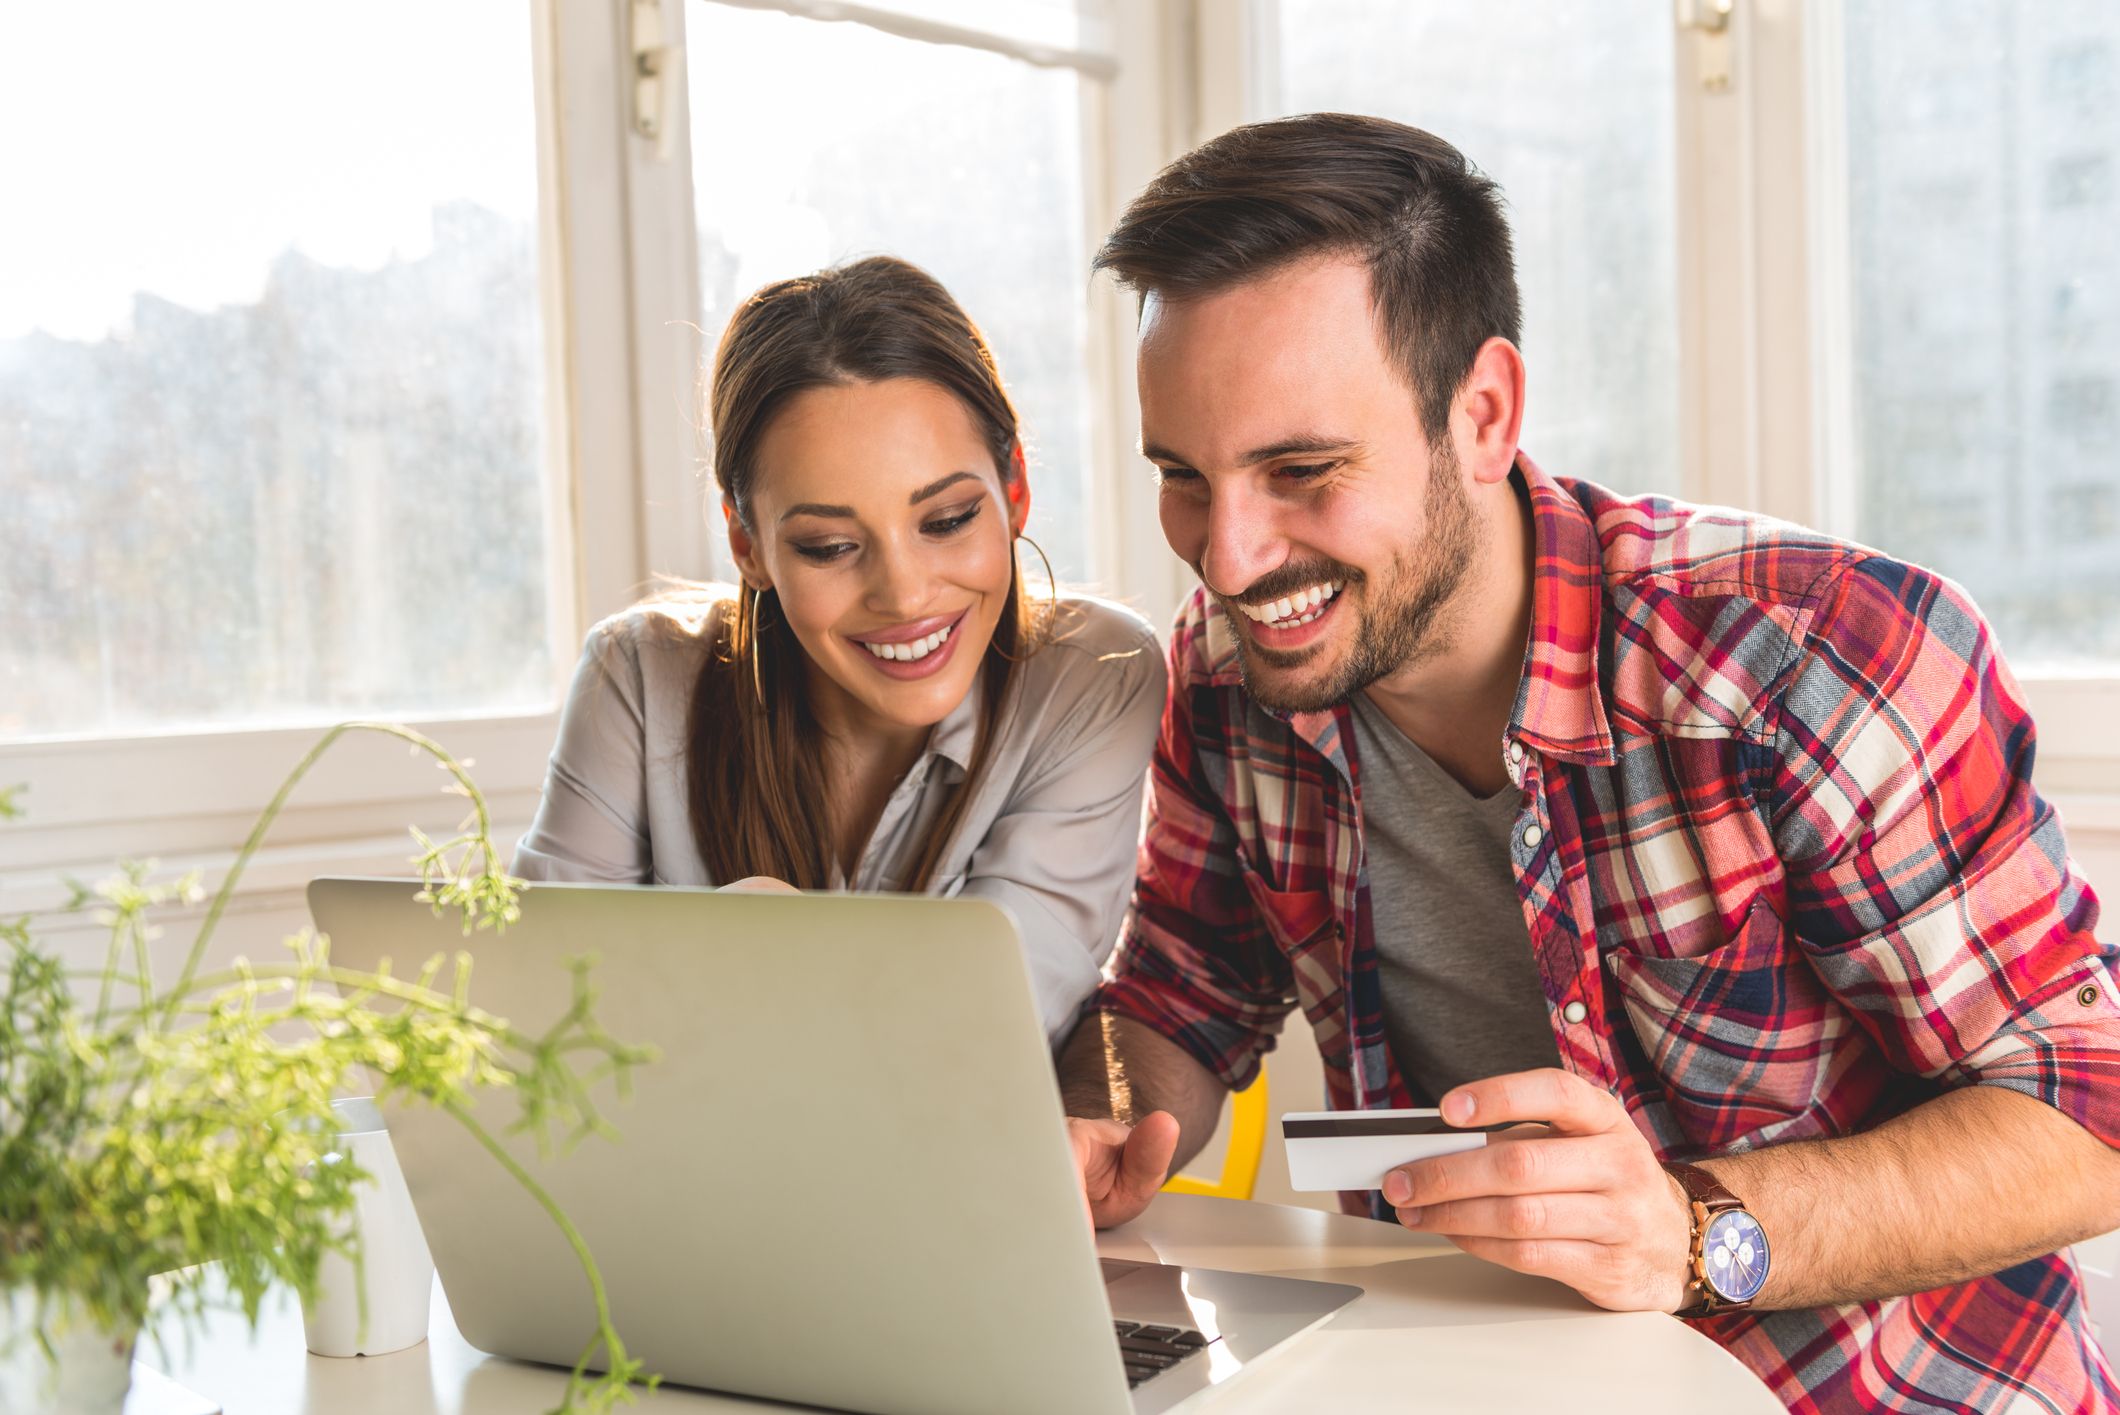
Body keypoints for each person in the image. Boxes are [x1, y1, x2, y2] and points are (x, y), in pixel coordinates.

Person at [1058, 113, 2120, 1411]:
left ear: (1485, 411)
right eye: (1184, 475)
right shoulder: (1234, 671)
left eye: (1302, 468)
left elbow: (2089, 1110)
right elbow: (1174, 996)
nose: (1227, 557)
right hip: (1475, 1378)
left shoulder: (1818, 655)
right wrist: (1091, 1115)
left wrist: (1690, 1227)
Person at [515, 256, 1163, 1043]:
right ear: (746, 545)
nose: (903, 592)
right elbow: (541, 1024)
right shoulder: (638, 676)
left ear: (1014, 489)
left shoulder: (1096, 677)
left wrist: (716, 959)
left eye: (949, 519)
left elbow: (981, 1028)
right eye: (828, 545)